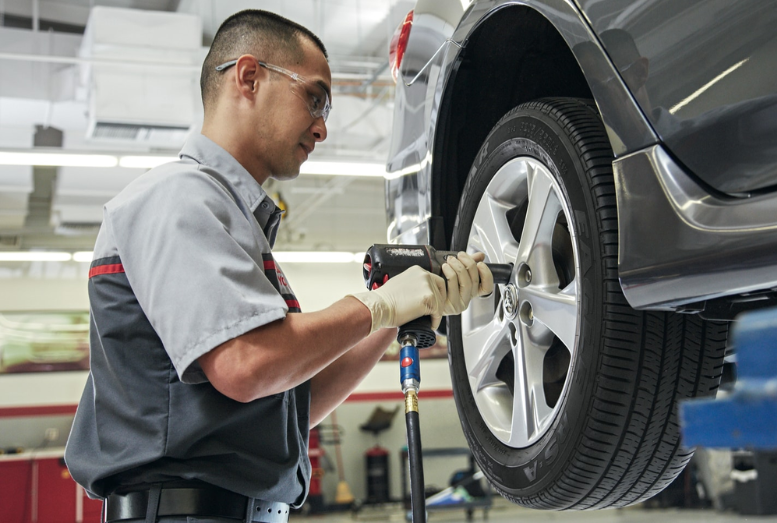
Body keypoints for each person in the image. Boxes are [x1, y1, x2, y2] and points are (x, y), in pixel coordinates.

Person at [64, 9, 492, 523]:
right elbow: (247, 366)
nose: (323, 128)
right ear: (248, 78)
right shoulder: (178, 198)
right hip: (184, 512)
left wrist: (394, 318)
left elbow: (292, 404)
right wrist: (372, 305)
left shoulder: (232, 222)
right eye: (314, 98)